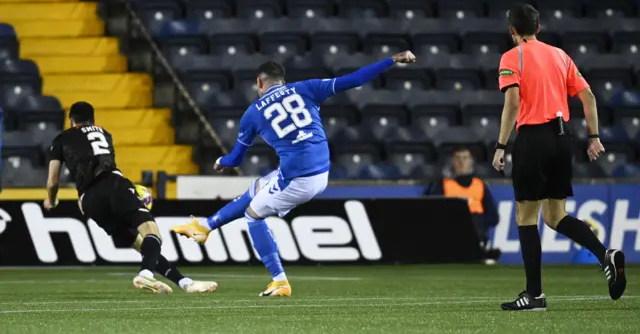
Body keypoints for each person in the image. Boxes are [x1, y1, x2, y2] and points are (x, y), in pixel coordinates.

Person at [173, 51, 417, 297]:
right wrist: (390, 60)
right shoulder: (307, 88)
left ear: (259, 82)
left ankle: (279, 280)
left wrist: (219, 161)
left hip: (298, 179)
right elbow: (354, 79)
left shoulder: (252, 113)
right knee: (258, 188)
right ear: (282, 80)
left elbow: (235, 159)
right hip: (320, 171)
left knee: (253, 216)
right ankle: (205, 226)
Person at [491, 4, 626, 311]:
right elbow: (588, 97)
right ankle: (605, 254)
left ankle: (535, 295)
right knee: (554, 216)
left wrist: (500, 145)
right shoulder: (560, 55)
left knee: (526, 217)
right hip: (562, 139)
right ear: (538, 28)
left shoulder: (513, 57)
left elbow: (512, 103)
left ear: (512, 30)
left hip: (533, 139)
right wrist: (594, 137)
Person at [45, 101, 217, 294]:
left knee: (143, 247)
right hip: (113, 183)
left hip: (88, 201)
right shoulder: (105, 134)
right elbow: (104, 165)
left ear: (71, 120)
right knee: (152, 232)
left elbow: (53, 182)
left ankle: (185, 283)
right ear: (93, 120)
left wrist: (51, 200)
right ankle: (146, 274)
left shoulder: (60, 139)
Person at [426, 147, 499, 260]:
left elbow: (494, 217)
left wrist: (478, 224)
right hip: (450, 234)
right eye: (458, 158)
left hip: (476, 232)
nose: (461, 162)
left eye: (465, 158)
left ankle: (480, 250)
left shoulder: (479, 184)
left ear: (471, 161)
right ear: (452, 161)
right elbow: (430, 212)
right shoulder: (442, 185)